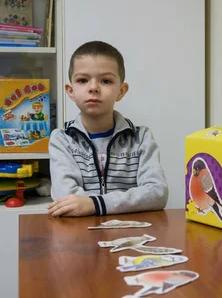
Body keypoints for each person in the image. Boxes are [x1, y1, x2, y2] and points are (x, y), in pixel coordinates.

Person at [47, 41, 168, 217]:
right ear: (70, 90)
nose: (93, 88)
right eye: (82, 80)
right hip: (80, 236)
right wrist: (127, 201)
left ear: (121, 91)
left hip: (131, 234)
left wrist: (94, 204)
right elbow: (66, 198)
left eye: (106, 81)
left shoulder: (141, 138)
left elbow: (157, 193)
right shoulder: (62, 139)